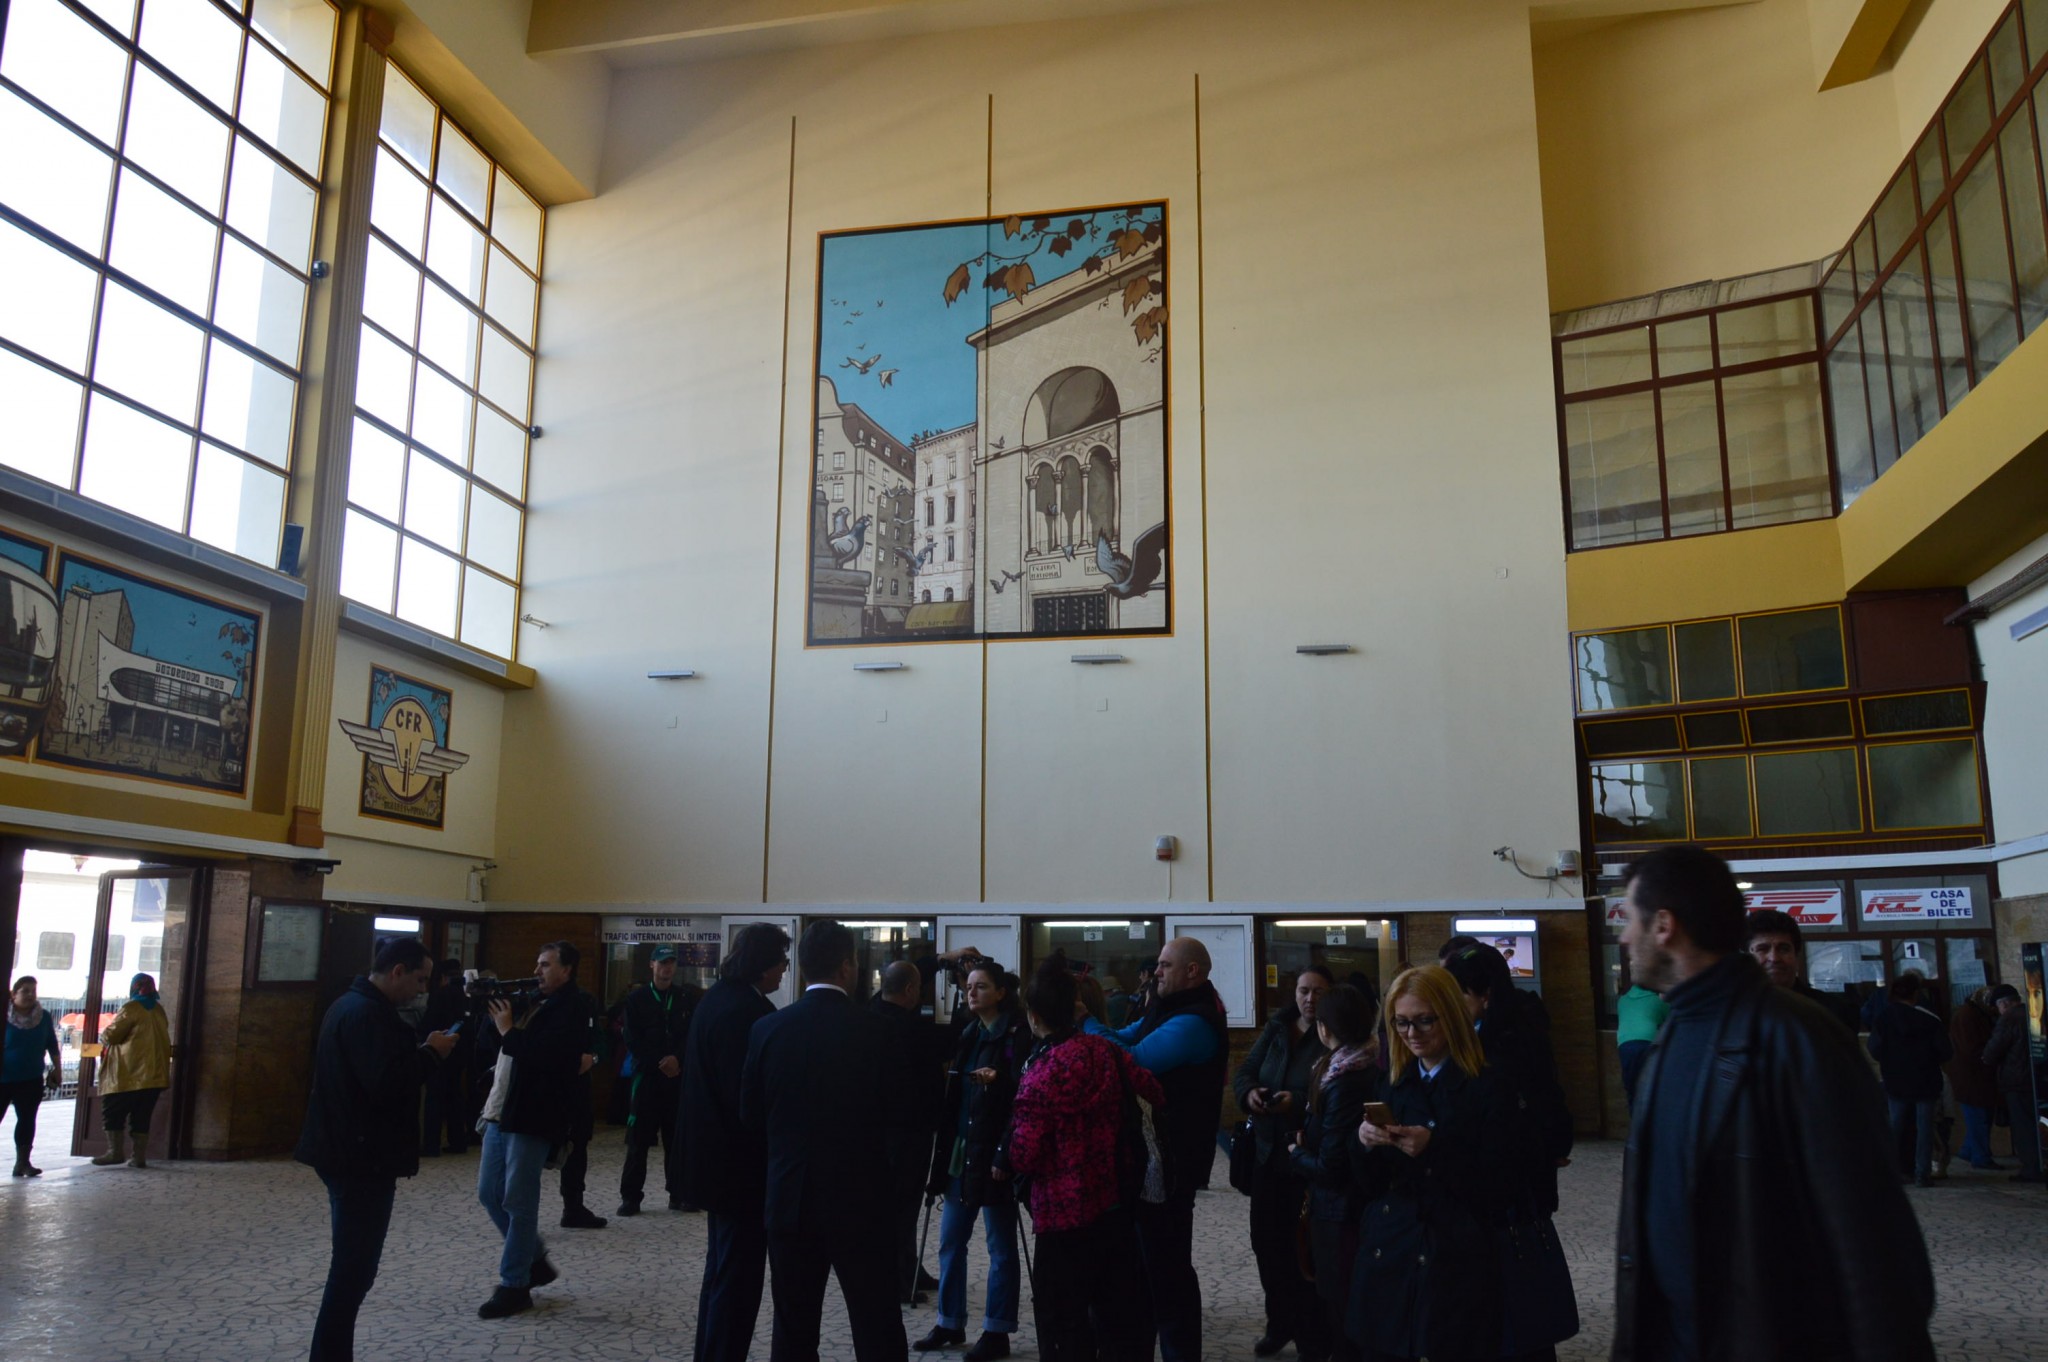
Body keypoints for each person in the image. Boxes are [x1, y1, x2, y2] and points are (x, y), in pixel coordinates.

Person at [1614, 845, 1935, 1361]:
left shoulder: (1799, 1038)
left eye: (1630, 919)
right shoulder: (1675, 1032)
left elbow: (1875, 1243)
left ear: (1665, 925)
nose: (1625, 937)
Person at [741, 920, 907, 1362]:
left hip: (791, 1198)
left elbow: (750, 1116)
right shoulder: (877, 1032)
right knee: (877, 1323)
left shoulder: (767, 1030)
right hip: (861, 1200)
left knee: (793, 1327)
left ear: (802, 968)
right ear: (848, 966)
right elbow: (901, 1118)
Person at [296, 936, 458, 1362]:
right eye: (419, 980)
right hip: (360, 1158)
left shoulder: (351, 1005)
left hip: (348, 1151)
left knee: (353, 1268)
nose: (422, 990)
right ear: (397, 971)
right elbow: (387, 1083)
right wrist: (431, 1055)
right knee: (352, 1270)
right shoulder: (367, 1014)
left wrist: (422, 1051)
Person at [1347, 964, 1510, 1362]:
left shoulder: (1489, 1083)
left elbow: (1504, 1178)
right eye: (1401, 1023)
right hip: (1393, 1244)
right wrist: (1364, 1142)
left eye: (1424, 1021)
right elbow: (1367, 1184)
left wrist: (1435, 1148)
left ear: (1450, 1016)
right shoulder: (1393, 1082)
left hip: (1455, 1250)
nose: (1412, 1034)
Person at [1008, 951, 1161, 1362]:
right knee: (1118, 1318)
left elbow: (1024, 1154)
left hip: (1061, 1216)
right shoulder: (1105, 1052)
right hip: (1114, 1201)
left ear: (1034, 1017)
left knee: (1064, 1324)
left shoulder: (1039, 1073)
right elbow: (1153, 1091)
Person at [1082, 935, 1228, 1362]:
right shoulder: (1166, 1008)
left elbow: (1133, 1058)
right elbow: (1122, 1035)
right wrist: (1094, 1027)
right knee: (1143, 1269)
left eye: (1164, 965)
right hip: (1150, 1160)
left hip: (1174, 1163)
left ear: (1192, 972)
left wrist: (1083, 1019)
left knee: (1167, 1272)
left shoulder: (1195, 1022)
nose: (1155, 972)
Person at [1443, 944, 1579, 1360]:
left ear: (1485, 996)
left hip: (1512, 1196)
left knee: (1516, 1302)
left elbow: (1542, 1112)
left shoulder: (1507, 1044)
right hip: (1506, 1191)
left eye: (1459, 995)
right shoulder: (1494, 1034)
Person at [684, 923, 789, 1362]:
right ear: (763, 965)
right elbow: (745, 1098)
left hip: (715, 1162)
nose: (785, 969)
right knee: (737, 1279)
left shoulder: (718, 999)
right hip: (738, 1168)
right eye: (781, 961)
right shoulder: (745, 1012)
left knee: (722, 1271)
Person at [474, 941, 593, 1319]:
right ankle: (534, 1259)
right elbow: (495, 1044)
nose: (537, 970)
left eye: (545, 965)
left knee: (518, 1200)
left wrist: (508, 1029)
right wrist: (492, 1014)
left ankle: (514, 1285)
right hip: (501, 1109)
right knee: (489, 1193)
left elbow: (547, 1057)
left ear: (567, 970)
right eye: (537, 963)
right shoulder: (534, 1001)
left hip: (534, 1114)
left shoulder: (572, 1007)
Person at [919, 959, 1030, 1361]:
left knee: (1001, 1246)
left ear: (1000, 992)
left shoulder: (1016, 1035)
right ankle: (950, 1321)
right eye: (968, 987)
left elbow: (1023, 1097)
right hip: (962, 1152)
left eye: (980, 986)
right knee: (951, 1241)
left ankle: (997, 1330)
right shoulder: (968, 1033)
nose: (971, 993)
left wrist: (1006, 1151)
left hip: (995, 1153)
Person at [1231, 964, 1332, 1360]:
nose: (1309, 999)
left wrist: (1297, 1103)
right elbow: (1245, 1072)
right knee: (1266, 1244)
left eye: (1318, 991)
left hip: (1304, 1159)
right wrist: (1250, 1094)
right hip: (1267, 1154)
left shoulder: (1332, 1037)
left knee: (1302, 1249)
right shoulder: (1277, 1029)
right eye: (1304, 990)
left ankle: (1311, 1333)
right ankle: (1280, 1323)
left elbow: (1333, 1091)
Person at [1286, 984, 1380, 1362]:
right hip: (1351, 1206)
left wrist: (1296, 1154)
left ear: (1325, 1028)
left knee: (1342, 1305)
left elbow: (1331, 1167)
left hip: (1339, 1211)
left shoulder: (1343, 1078)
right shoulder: (1362, 1062)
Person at [873, 960, 944, 1306]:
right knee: (903, 1208)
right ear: (911, 991)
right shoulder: (912, 1029)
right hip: (910, 1133)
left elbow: (898, 981)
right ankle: (900, 1276)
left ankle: (908, 1266)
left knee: (895, 1206)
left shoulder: (871, 1014)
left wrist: (938, 963)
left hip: (880, 1130)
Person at [618, 944, 696, 1217]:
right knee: (638, 1141)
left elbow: (691, 1035)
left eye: (671, 963)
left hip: (676, 1077)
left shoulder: (684, 997)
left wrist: (677, 1060)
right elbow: (632, 1038)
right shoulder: (636, 999)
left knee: (677, 1140)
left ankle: (679, 1194)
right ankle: (631, 1198)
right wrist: (659, 1062)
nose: (667, 968)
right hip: (648, 1078)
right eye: (662, 963)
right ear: (652, 965)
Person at [1866, 973, 1953, 1187]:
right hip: (1926, 1080)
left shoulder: (1883, 1018)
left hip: (1895, 1080)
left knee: (1896, 1126)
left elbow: (1874, 1048)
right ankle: (1922, 1173)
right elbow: (1945, 1051)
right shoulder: (1929, 1019)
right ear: (1916, 994)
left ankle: (1895, 1171)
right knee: (1925, 1128)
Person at [93, 971, 172, 1168]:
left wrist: (104, 1034)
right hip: (153, 1075)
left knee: (113, 1112)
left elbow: (112, 1036)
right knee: (142, 1116)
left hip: (127, 1073)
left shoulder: (131, 1008)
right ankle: (138, 1157)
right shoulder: (158, 1009)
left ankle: (115, 1152)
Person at [1743, 908, 1856, 1033]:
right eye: (1763, 949)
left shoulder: (1831, 1012)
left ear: (1796, 955)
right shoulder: (1732, 1013)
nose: (1774, 958)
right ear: (1745, 957)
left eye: (1783, 949)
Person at [4, 975, 62, 1177]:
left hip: (31, 1078)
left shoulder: (43, 1017)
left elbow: (52, 1044)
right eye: (25, 991)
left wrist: (57, 1069)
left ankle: (23, 1162)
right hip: (3, 1078)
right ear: (14, 994)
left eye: (33, 991)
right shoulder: (4, 1014)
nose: (30, 995)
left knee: (27, 1120)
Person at [1983, 983, 2040, 1182]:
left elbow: (1993, 1050)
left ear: (2004, 1004)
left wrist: (1986, 1057)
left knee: (2023, 1127)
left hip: (2016, 1080)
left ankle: (2031, 1169)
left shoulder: (2008, 1019)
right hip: (2037, 1078)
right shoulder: (2034, 1013)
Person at [418, 959, 470, 1157]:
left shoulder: (440, 995)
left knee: (434, 1098)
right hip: (460, 1052)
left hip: (440, 1052)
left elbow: (428, 1022)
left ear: (442, 977)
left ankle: (431, 1144)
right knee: (455, 1097)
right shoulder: (465, 996)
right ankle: (458, 1141)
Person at [1948, 986, 2003, 1170]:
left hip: (1973, 1077)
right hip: (1972, 1077)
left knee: (1978, 1117)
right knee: (1979, 1118)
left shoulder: (1974, 1013)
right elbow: (1972, 1049)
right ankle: (1980, 1156)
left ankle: (1969, 1150)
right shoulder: (1969, 1016)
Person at [1614, 983, 1666, 1110]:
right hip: (1648, 1043)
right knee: (1651, 1088)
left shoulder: (1622, 1001)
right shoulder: (1656, 1001)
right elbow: (1670, 1019)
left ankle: (1635, 1119)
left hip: (1625, 1046)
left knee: (1631, 1089)